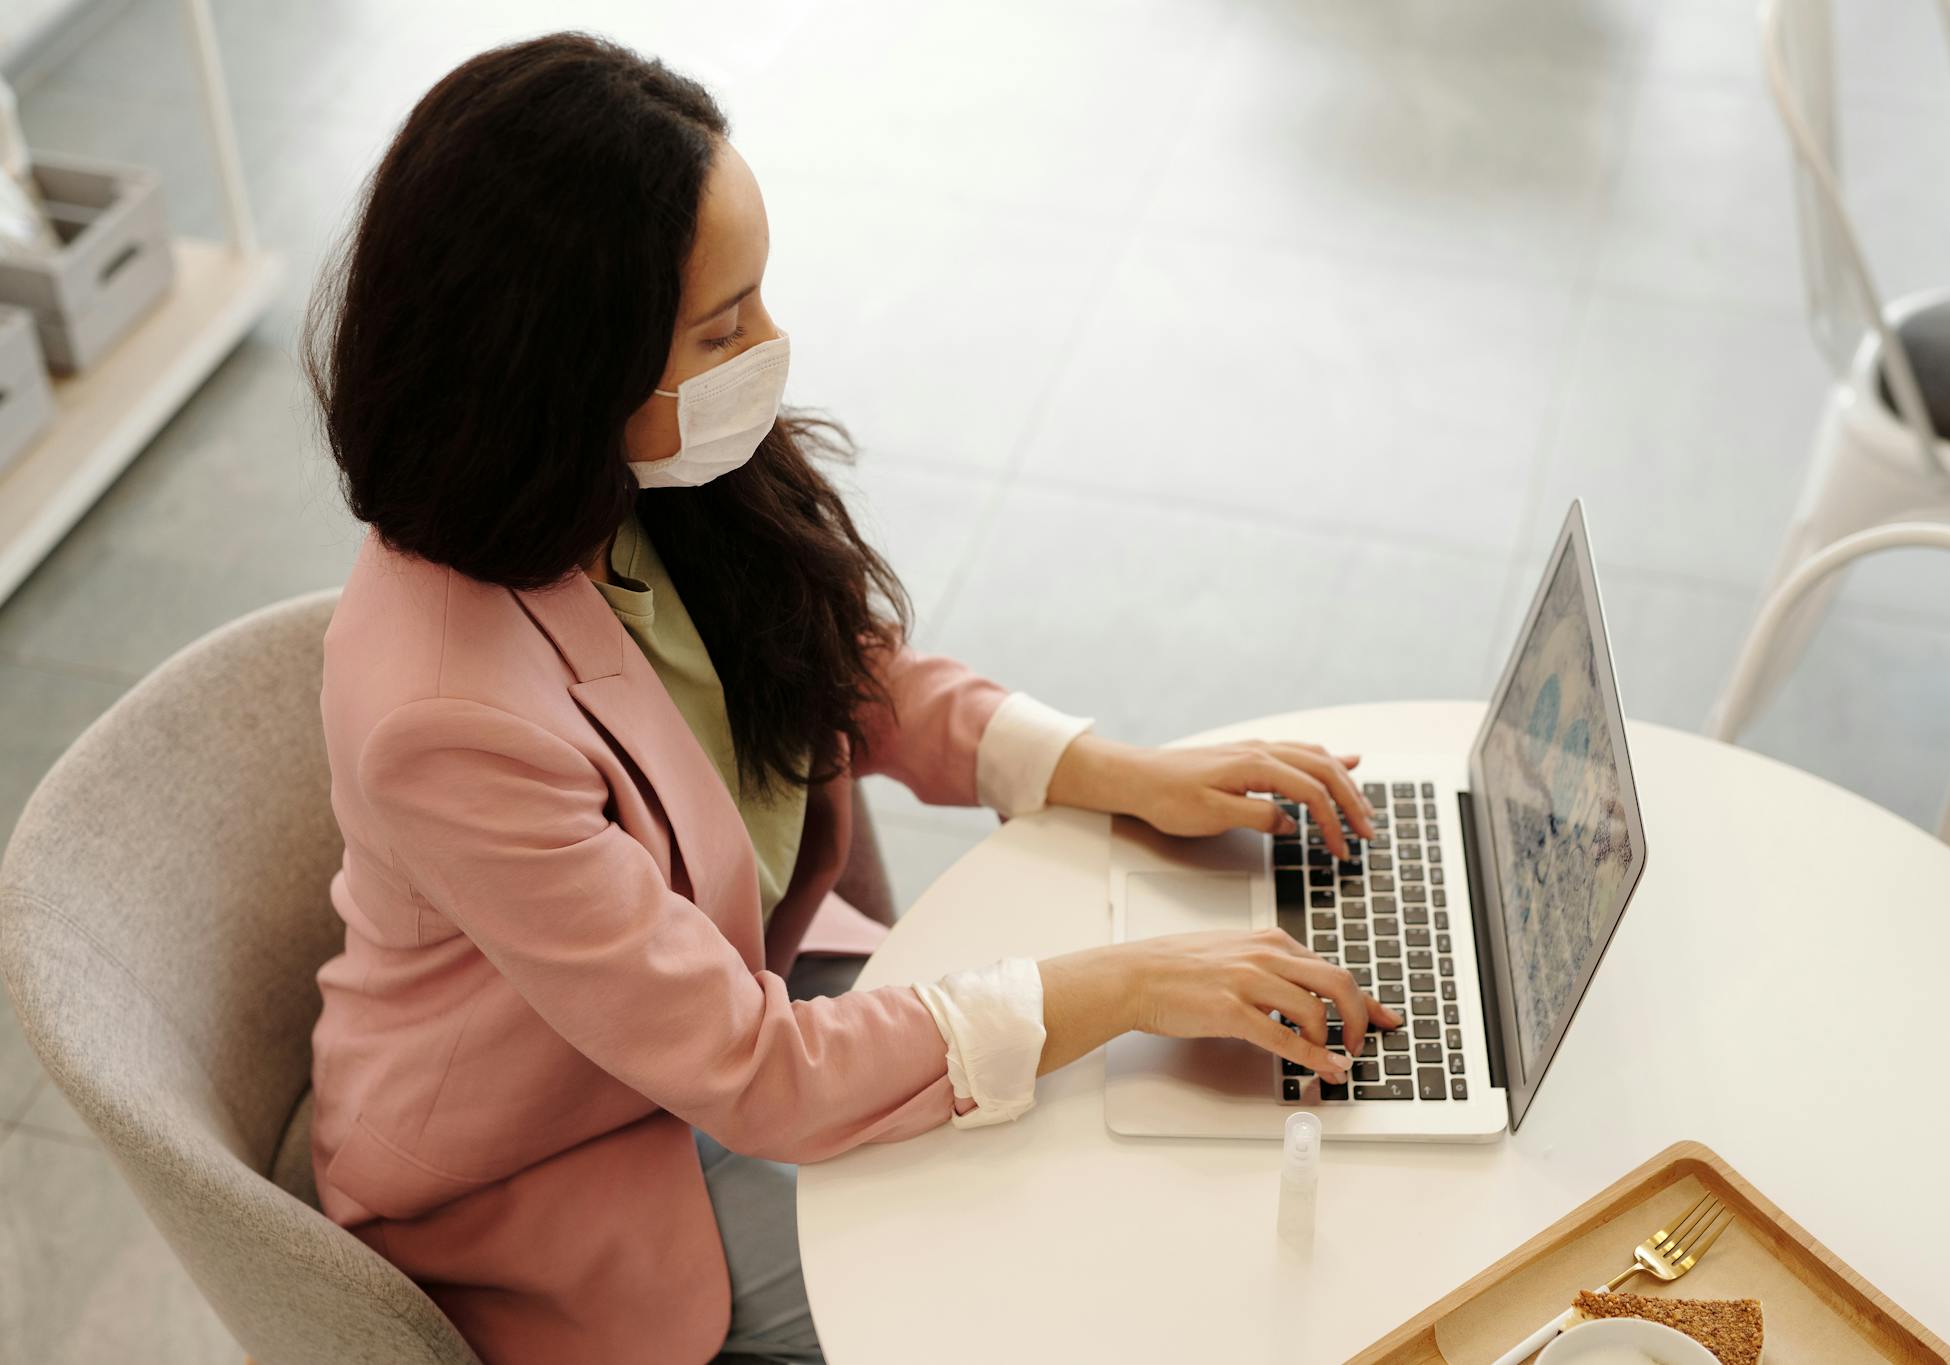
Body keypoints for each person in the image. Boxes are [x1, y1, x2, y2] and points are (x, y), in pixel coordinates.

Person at [304, 31, 1400, 1365]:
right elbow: (757, 1074)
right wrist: (1128, 984)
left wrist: (1125, 771)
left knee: (1104, 1154)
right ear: (569, 369)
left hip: (734, 998)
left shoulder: (629, 480)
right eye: (725, 324)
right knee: (1009, 1300)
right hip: (564, 1156)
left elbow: (833, 667)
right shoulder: (449, 718)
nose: (770, 346)